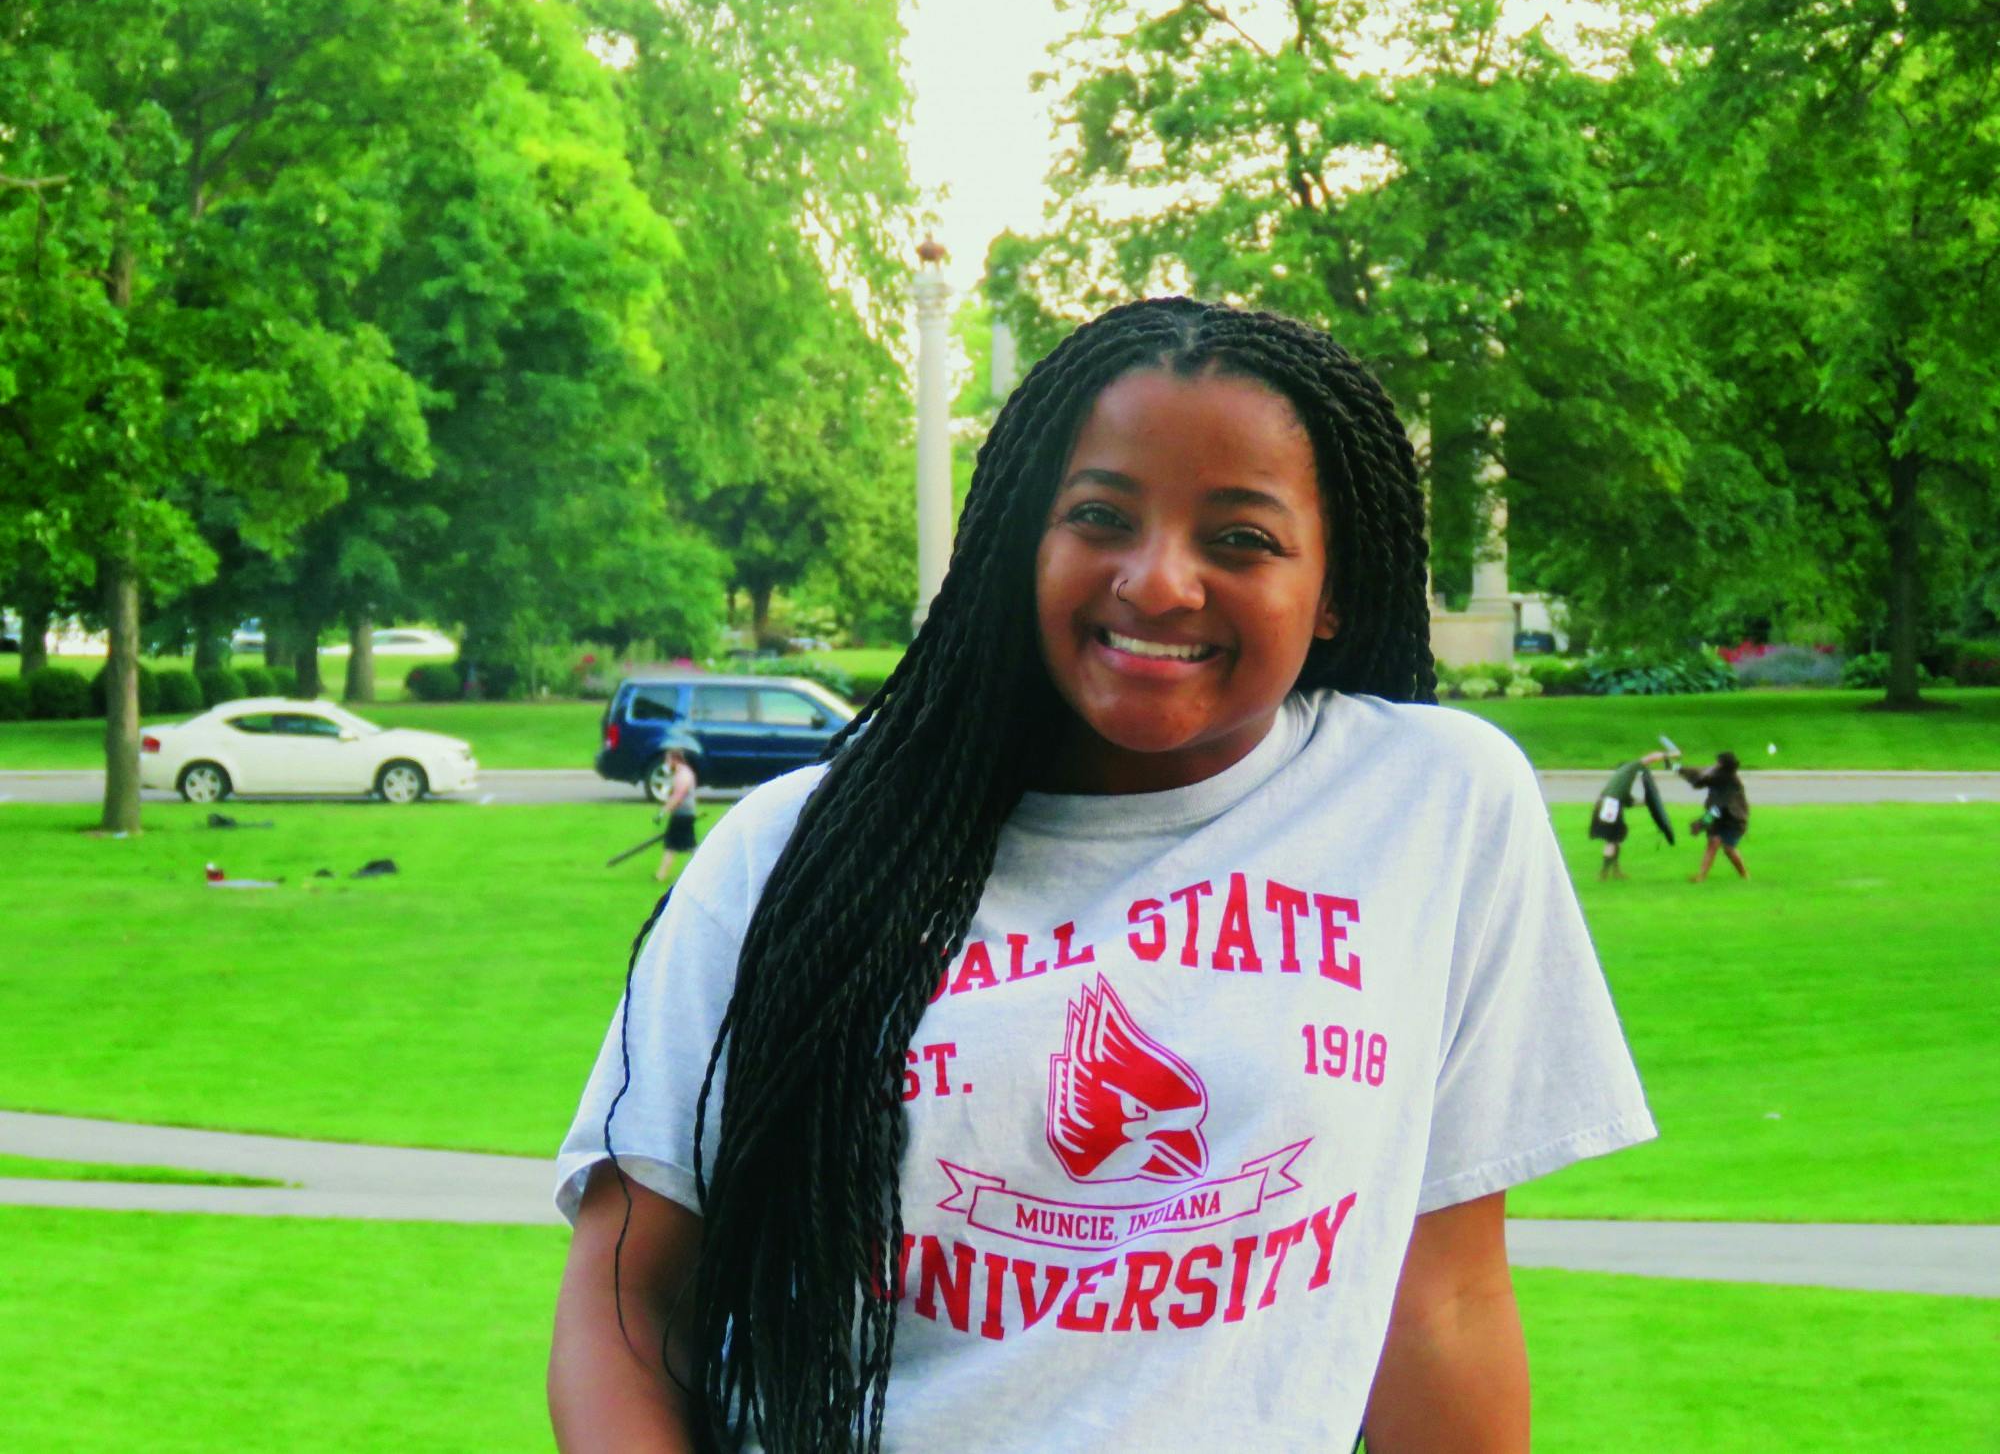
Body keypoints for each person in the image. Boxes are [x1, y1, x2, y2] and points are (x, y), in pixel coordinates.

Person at [548, 300, 1655, 1454]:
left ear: (1333, 589)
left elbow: (1442, 1301)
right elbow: (631, 1296)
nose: (1156, 581)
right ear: (1019, 545)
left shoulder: (1434, 805)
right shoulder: (791, 854)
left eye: (1240, 538)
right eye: (1098, 517)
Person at [1588, 748, 1675, 879]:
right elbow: (1650, 758)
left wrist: (1649, 801)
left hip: (1603, 805)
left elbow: (1631, 802)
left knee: (1615, 840)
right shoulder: (1629, 768)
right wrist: (1668, 755)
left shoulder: (1619, 783)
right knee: (1612, 841)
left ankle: (1615, 871)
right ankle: (1604, 872)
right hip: (1611, 807)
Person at [1679, 750, 1750, 882]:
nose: (1715, 764)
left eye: (1718, 762)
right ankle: (1701, 876)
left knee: (1728, 849)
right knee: (1713, 843)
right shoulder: (1720, 775)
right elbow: (1700, 779)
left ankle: (1744, 875)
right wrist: (1678, 768)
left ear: (1722, 765)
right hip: (1719, 818)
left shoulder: (1729, 781)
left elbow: (1718, 809)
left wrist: (1701, 823)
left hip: (1733, 819)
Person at [653, 747, 699, 885]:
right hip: (685, 814)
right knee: (685, 846)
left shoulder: (683, 775)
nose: (666, 763)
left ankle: (661, 875)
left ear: (674, 759)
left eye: (668, 759)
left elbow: (677, 796)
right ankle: (661, 874)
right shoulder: (683, 773)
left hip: (681, 815)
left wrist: (662, 812)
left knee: (671, 845)